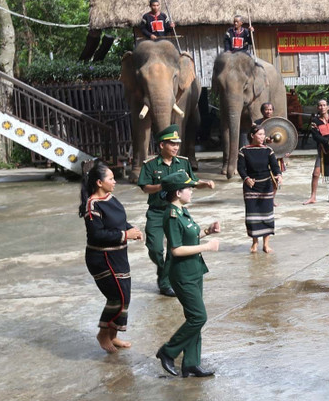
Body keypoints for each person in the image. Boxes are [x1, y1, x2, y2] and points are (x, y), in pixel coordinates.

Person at [155, 171, 222, 378]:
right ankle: (168, 351)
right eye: (188, 188)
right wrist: (207, 247)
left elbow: (190, 236)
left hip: (194, 271)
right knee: (198, 317)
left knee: (194, 317)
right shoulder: (172, 215)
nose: (191, 191)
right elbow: (176, 249)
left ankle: (191, 363)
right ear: (177, 192)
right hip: (182, 274)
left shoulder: (182, 210)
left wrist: (207, 232)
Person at [138, 125, 215, 296]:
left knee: (175, 247)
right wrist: (162, 186)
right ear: (162, 145)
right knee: (155, 248)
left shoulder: (183, 162)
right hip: (157, 211)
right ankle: (162, 270)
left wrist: (205, 183)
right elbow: (145, 188)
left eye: (177, 144)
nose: (175, 147)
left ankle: (165, 282)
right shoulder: (150, 165)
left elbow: (192, 182)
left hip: (176, 212)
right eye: (172, 144)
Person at [80, 161, 143, 353]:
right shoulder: (92, 206)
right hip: (102, 259)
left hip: (118, 256)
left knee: (125, 297)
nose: (114, 181)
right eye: (111, 178)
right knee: (117, 297)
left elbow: (119, 221)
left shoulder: (111, 198)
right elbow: (97, 235)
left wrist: (130, 228)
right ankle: (103, 334)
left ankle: (113, 336)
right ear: (99, 182)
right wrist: (125, 235)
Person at [238, 124, 283, 254]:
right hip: (251, 186)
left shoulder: (268, 150)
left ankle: (266, 244)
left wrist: (278, 175)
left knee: (266, 214)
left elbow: (274, 166)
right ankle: (255, 243)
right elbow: (241, 168)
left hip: (266, 186)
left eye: (263, 134)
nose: (262, 137)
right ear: (252, 136)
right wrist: (246, 178)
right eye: (260, 134)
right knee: (252, 215)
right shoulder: (244, 151)